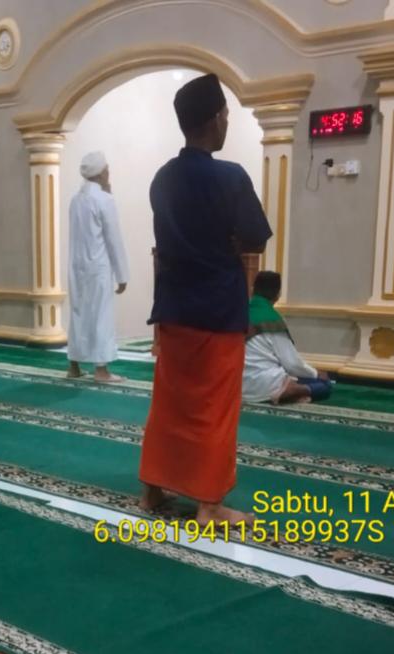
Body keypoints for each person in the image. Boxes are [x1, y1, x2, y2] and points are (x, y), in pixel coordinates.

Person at [138, 73, 272, 525]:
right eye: (226, 115)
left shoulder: (162, 179)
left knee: (170, 403)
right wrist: (230, 242)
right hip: (217, 310)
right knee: (214, 409)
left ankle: (153, 489)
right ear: (215, 120)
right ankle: (209, 504)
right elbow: (256, 238)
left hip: (175, 309)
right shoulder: (230, 177)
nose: (227, 123)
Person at [66, 151, 130, 383]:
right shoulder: (104, 200)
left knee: (78, 313)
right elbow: (113, 239)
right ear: (101, 173)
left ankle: (73, 366)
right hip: (98, 267)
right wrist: (122, 275)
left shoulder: (76, 199)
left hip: (77, 266)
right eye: (107, 169)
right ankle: (101, 370)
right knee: (101, 316)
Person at [244, 271, 333, 404]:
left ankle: (290, 391)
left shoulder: (240, 314)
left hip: (239, 385)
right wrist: (316, 373)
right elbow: (291, 364)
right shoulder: (272, 319)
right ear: (278, 295)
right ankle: (292, 391)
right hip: (267, 383)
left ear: (252, 290)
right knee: (325, 386)